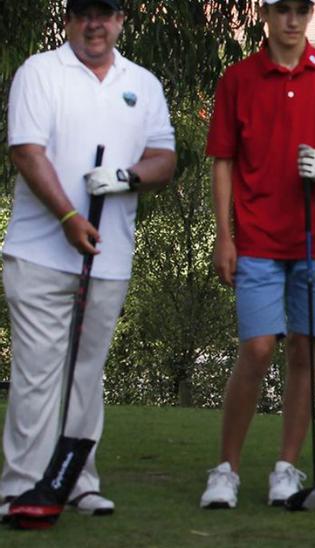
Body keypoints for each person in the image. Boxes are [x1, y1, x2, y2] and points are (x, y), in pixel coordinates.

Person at [0, 0, 176, 518]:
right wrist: (67, 218)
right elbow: (26, 151)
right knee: (38, 373)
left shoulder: (141, 83)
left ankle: (75, 481)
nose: (94, 24)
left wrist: (128, 177)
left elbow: (163, 158)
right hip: (39, 252)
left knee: (86, 372)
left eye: (105, 13)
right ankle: (21, 489)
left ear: (121, 20)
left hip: (110, 256)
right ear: (68, 20)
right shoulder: (40, 73)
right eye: (82, 13)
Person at [200, 0, 315, 509]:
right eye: (280, 9)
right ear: (265, 15)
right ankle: (225, 469)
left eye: (300, 9)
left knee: (304, 351)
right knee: (257, 349)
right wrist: (223, 236)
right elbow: (223, 159)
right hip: (257, 239)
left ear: (309, 13)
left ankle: (286, 470)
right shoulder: (238, 79)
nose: (290, 20)